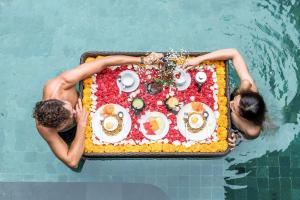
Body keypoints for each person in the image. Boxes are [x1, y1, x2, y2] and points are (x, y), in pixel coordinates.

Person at [33, 53, 163, 168]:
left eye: (70, 107)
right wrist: (81, 124)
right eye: (71, 116)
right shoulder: (45, 128)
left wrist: (142, 60)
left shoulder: (60, 84)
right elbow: (72, 162)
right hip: (75, 130)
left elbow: (103, 62)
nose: (74, 112)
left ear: (60, 101)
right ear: (59, 127)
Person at [183, 48, 266, 148]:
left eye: (233, 107)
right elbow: (234, 53)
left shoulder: (252, 131)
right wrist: (200, 59)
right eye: (235, 98)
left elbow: (242, 137)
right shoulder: (248, 85)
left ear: (242, 117)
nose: (229, 102)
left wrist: (236, 137)